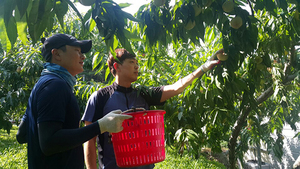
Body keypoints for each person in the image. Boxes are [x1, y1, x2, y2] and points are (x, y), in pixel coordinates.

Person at [81, 48, 223, 169]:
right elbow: (89, 139)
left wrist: (203, 68)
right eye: (132, 62)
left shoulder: (143, 94)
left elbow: (177, 87)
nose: (137, 66)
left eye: (137, 63)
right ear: (117, 66)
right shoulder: (100, 97)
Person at [16, 34, 132, 169]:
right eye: (77, 51)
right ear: (57, 54)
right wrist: (101, 126)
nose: (83, 56)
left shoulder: (43, 84)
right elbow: (49, 143)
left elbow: (21, 134)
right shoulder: (55, 86)